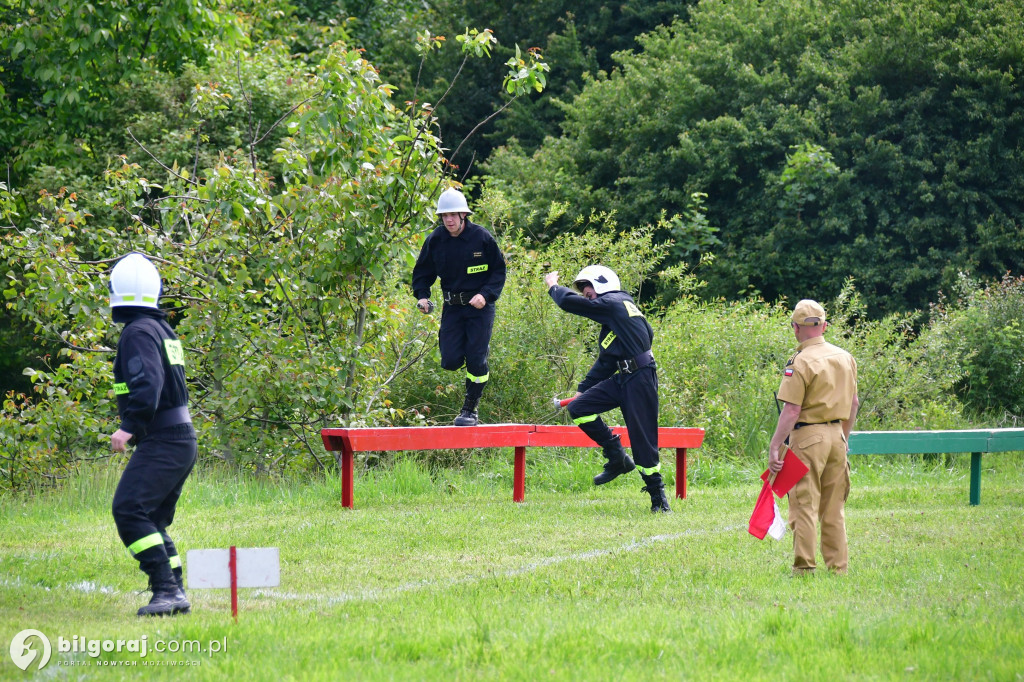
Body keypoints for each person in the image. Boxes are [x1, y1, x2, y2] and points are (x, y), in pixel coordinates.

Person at [108, 252, 197, 616]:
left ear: (116, 292)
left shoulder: (137, 332)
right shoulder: (162, 329)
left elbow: (148, 383)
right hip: (180, 437)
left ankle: (165, 589)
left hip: (164, 437)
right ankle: (173, 591)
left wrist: (128, 427)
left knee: (129, 509)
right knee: (153, 518)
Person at [544, 265, 670, 513]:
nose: (585, 293)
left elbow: (571, 304)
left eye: (586, 287)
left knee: (643, 441)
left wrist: (554, 288)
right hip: (623, 377)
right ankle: (617, 458)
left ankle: (659, 499)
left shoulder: (615, 302)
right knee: (580, 408)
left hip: (641, 378)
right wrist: (584, 388)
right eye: (581, 289)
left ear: (602, 284)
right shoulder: (616, 316)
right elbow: (607, 360)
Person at [768, 299, 859, 575]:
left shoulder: (799, 361)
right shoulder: (846, 357)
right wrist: (843, 436)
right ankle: (838, 568)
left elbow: (792, 410)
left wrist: (775, 446)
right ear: (825, 326)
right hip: (837, 436)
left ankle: (805, 568)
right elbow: (853, 404)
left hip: (808, 437)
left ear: (795, 328)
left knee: (805, 504)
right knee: (834, 507)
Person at [412, 187, 507, 426]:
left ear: (463, 214)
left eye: (453, 214)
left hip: (480, 308)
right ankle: (472, 351)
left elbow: (498, 270)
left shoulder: (482, 238)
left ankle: (470, 408)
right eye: (445, 216)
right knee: (451, 361)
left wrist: (486, 295)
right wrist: (422, 297)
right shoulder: (435, 240)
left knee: (476, 359)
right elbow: (422, 272)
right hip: (452, 308)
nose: (449, 219)